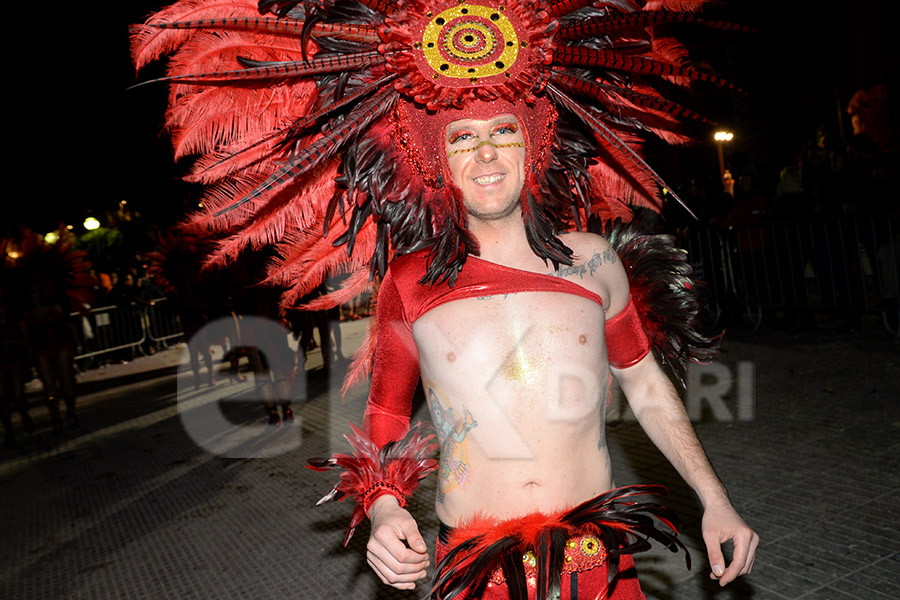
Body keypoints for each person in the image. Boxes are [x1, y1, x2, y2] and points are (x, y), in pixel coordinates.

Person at [133, 0, 759, 596]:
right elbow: (385, 419)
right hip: (474, 565)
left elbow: (646, 386)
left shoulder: (594, 260)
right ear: (440, 162)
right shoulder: (410, 282)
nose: (485, 152)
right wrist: (382, 509)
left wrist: (716, 498)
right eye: (462, 137)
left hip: (595, 559)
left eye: (503, 132)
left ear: (532, 146)